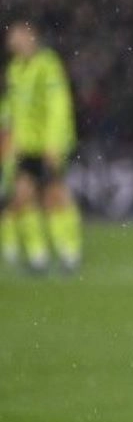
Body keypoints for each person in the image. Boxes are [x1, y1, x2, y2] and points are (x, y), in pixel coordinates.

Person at [1, 21, 81, 273]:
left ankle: (69, 251)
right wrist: (10, 136)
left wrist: (54, 143)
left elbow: (59, 105)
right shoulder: (14, 69)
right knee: (22, 197)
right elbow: (12, 107)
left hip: (48, 144)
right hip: (25, 146)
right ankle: (38, 256)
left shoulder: (48, 64)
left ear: (31, 36)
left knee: (54, 196)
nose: (12, 40)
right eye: (11, 36)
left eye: (17, 35)